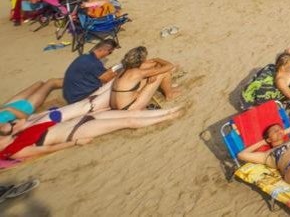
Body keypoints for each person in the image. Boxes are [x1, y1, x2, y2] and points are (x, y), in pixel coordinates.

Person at [0, 107, 182, 162]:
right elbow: (47, 149)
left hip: (77, 119)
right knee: (127, 122)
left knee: (129, 114)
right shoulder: (13, 150)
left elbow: (24, 118)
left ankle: (168, 111)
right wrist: (75, 143)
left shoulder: (14, 132)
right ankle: (169, 117)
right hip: (75, 132)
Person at [109, 47, 179, 111]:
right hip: (129, 108)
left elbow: (154, 64)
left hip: (116, 108)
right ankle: (170, 95)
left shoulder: (125, 68)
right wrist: (157, 59)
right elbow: (170, 66)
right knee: (163, 73)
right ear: (142, 59)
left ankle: (168, 88)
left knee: (152, 74)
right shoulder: (137, 72)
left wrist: (153, 72)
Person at [62, 39, 118, 104]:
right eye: (110, 52)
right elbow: (106, 80)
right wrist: (114, 73)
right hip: (78, 98)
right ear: (104, 50)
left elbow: (98, 72)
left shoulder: (85, 56)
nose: (109, 54)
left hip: (70, 93)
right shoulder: (94, 63)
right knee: (113, 87)